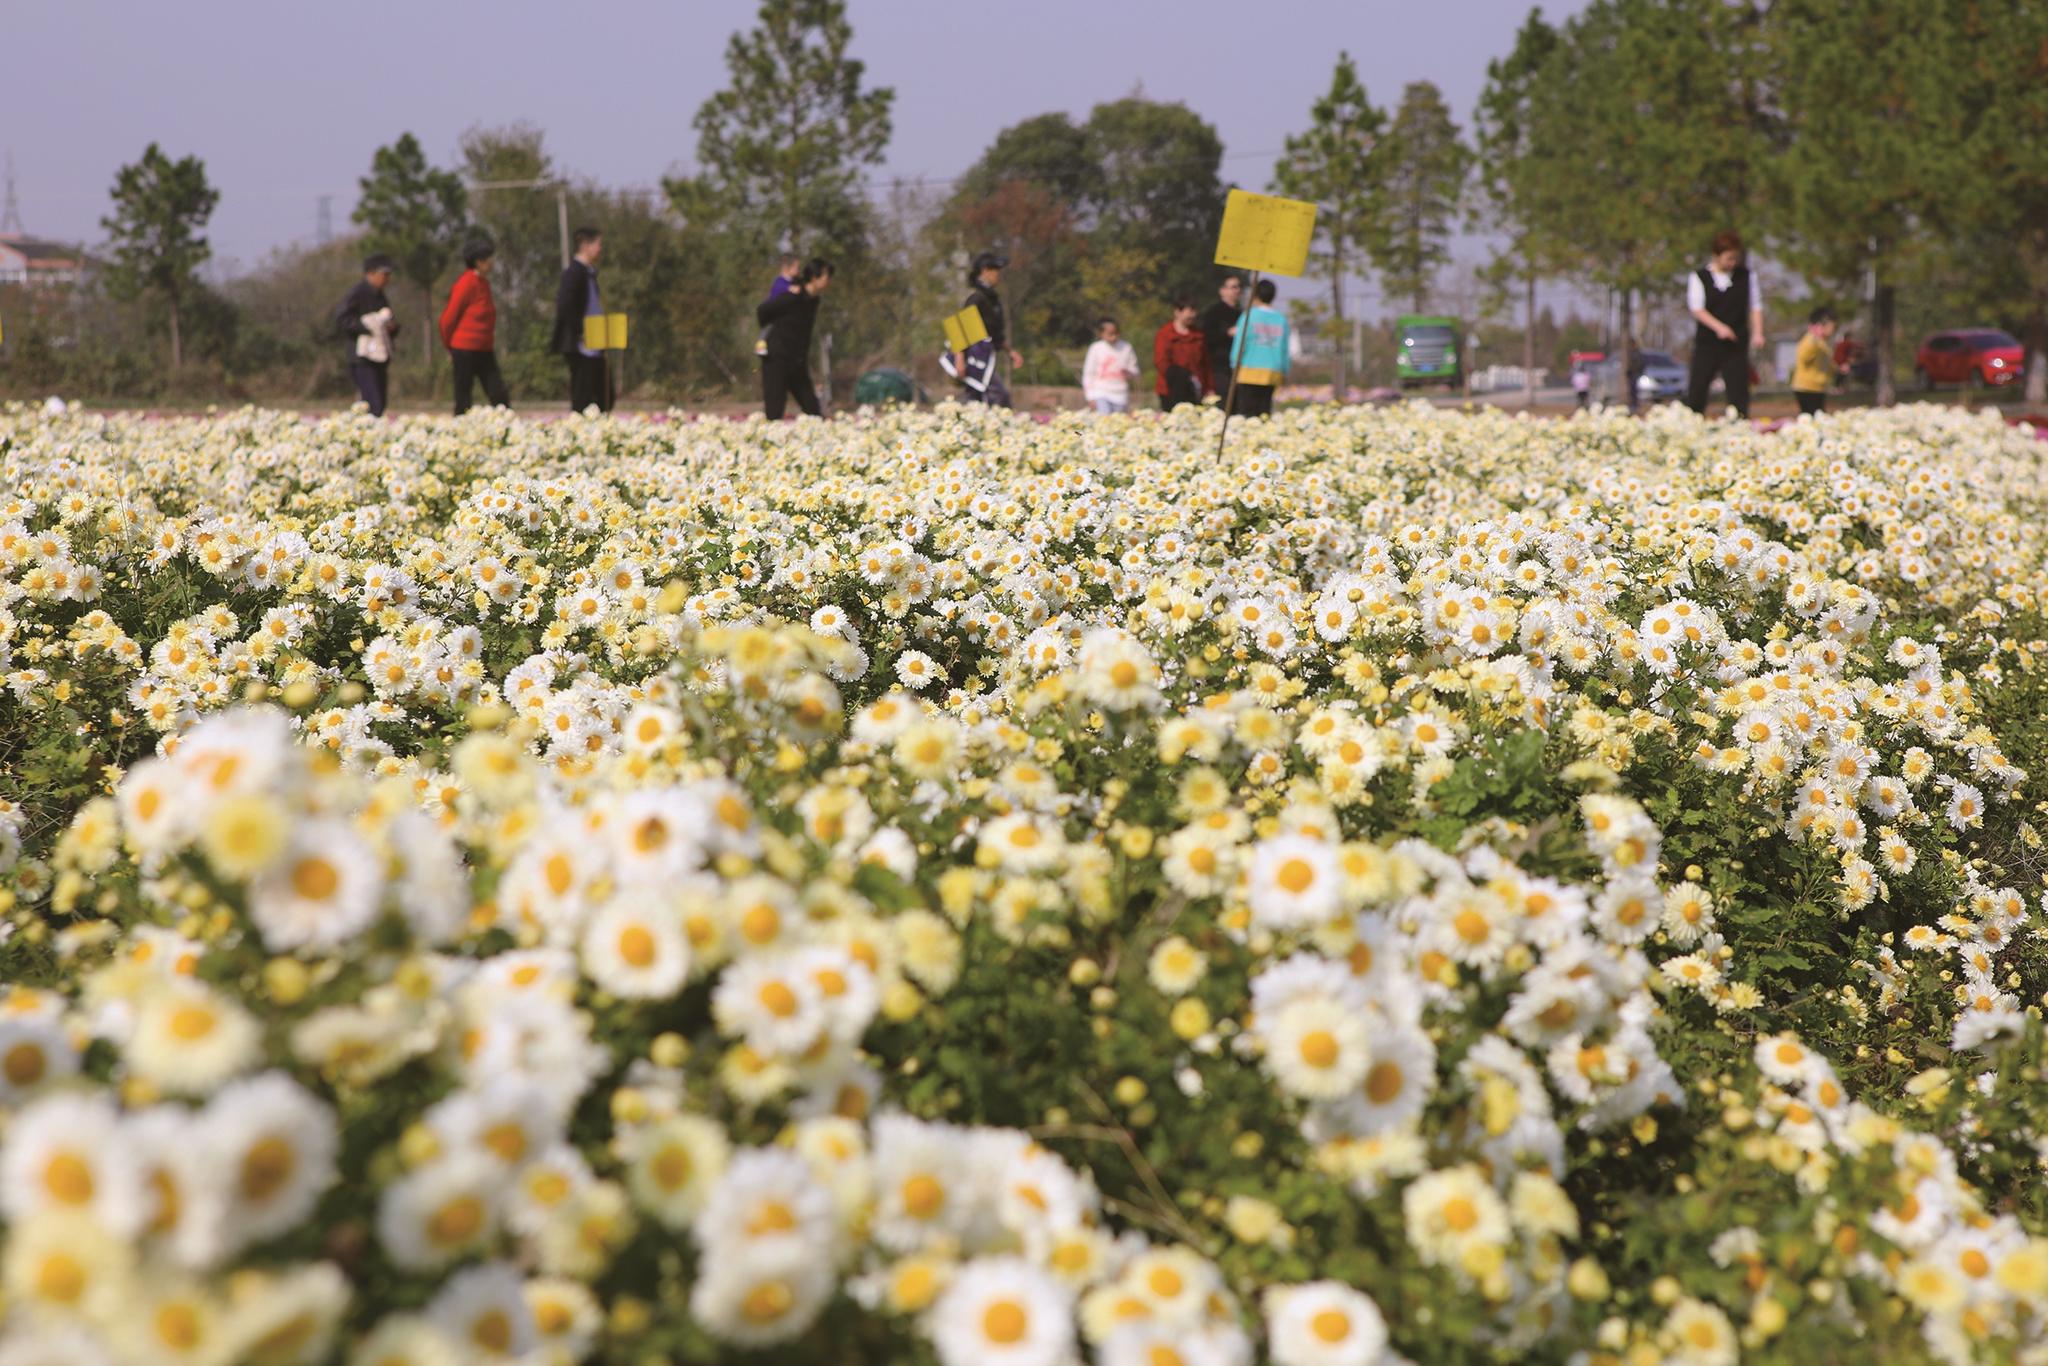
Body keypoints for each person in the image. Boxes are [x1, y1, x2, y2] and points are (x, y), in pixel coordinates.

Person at [1684, 229, 1764, 419]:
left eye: (1736, 258)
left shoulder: (1747, 277)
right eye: (1729, 258)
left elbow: (1755, 306)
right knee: (1698, 388)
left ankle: (1739, 423)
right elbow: (1697, 309)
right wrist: (1719, 327)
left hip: (1736, 343)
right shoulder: (1699, 277)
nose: (1733, 263)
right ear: (1716, 255)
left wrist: (1758, 333)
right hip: (1707, 343)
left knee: (1738, 390)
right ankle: (1692, 422)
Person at [756, 257, 833, 419]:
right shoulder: (792, 296)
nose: (829, 281)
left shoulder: (814, 300)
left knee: (813, 411)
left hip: (797, 361)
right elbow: (762, 311)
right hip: (776, 357)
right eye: (827, 276)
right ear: (814, 277)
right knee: (775, 410)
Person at [440, 237, 509, 416]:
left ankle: (506, 425)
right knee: (463, 396)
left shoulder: (484, 283)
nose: (492, 262)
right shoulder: (466, 283)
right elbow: (448, 318)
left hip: (484, 348)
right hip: (464, 349)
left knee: (498, 392)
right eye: (488, 258)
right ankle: (460, 432)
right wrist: (449, 346)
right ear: (478, 262)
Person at [551, 227, 610, 413]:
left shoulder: (589, 273)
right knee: (583, 394)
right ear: (585, 245)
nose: (600, 249)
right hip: (582, 343)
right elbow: (565, 306)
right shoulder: (574, 273)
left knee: (605, 393)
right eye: (598, 244)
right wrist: (580, 332)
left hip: (595, 341)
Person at [334, 253, 399, 417]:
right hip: (362, 356)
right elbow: (342, 319)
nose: (387, 279)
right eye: (384, 274)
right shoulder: (357, 293)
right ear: (370, 273)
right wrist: (368, 327)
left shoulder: (380, 296)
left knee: (381, 402)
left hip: (379, 354)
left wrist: (391, 328)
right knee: (372, 402)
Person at [958, 252, 1024, 408]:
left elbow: (994, 331)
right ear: (985, 271)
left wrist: (1010, 352)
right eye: (996, 270)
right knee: (999, 398)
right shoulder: (976, 297)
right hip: (975, 357)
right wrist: (959, 359)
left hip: (986, 354)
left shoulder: (992, 298)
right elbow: (962, 328)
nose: (998, 275)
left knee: (976, 399)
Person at [1227, 279, 1290, 417]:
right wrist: (1285, 371)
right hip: (1272, 371)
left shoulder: (1249, 315)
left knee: (1247, 413)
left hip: (1248, 371)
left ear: (1256, 295)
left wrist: (1234, 363)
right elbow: (1285, 349)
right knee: (1264, 412)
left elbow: (1240, 343)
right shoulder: (1281, 319)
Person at [1153, 297, 1208, 411]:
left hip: (1194, 389)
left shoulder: (1198, 335)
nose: (1193, 315)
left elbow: (1205, 364)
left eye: (1194, 311)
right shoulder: (1165, 334)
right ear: (1177, 312)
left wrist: (1209, 387)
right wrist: (1180, 377)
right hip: (1170, 389)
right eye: (1190, 311)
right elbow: (1161, 362)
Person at [1081, 317, 1141, 414]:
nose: (1114, 337)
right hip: (1101, 392)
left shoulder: (1126, 347)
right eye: (1110, 334)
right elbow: (1088, 373)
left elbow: (1135, 370)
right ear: (1102, 334)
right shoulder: (1096, 348)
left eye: (1116, 333)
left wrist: (1129, 373)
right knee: (1104, 419)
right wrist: (1090, 396)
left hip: (1120, 394)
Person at [1201, 274, 1244, 402]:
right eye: (1233, 287)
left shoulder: (1242, 314)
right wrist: (1227, 333)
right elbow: (1207, 337)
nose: (1237, 290)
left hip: (1238, 368)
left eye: (1239, 287)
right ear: (1222, 290)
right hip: (1220, 368)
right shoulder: (1213, 313)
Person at [1792, 306, 1838, 417]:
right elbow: (1804, 357)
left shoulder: (1823, 344)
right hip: (1806, 388)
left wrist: (1838, 369)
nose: (1833, 330)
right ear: (1821, 325)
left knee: (1818, 416)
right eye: (1832, 326)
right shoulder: (1809, 340)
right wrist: (1814, 340)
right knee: (1811, 417)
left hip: (1818, 388)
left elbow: (1827, 364)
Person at [755, 252, 802, 359]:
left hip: (780, 316)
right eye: (796, 268)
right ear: (786, 268)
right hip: (771, 314)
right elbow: (779, 288)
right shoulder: (780, 281)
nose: (798, 270)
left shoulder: (792, 281)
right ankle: (760, 347)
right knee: (766, 329)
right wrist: (790, 289)